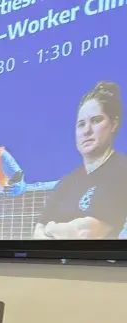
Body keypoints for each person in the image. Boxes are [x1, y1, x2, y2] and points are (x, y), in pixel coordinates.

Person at [34, 81, 127, 239]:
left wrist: (51, 228)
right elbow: (37, 233)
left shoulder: (122, 172)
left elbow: (85, 234)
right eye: (81, 124)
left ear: (114, 124)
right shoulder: (66, 183)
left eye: (96, 120)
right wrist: (62, 230)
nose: (87, 130)